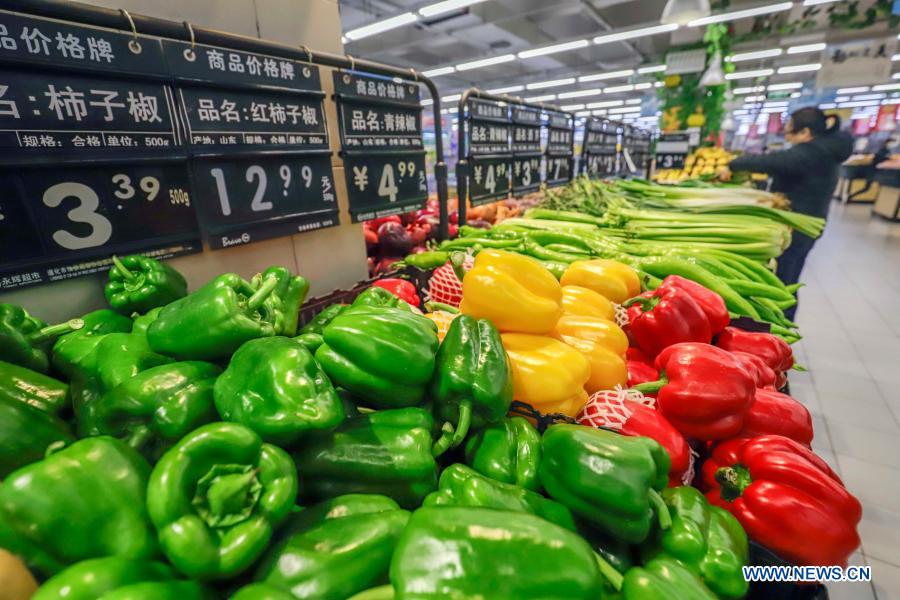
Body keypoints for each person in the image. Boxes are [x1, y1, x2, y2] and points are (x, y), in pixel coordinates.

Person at [720, 107, 853, 320]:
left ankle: (781, 327)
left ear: (805, 132)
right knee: (786, 278)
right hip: (805, 222)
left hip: (799, 228)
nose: (785, 132)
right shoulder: (824, 151)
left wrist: (733, 164)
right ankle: (781, 323)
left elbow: (771, 161)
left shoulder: (811, 153)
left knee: (784, 282)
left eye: (789, 128)